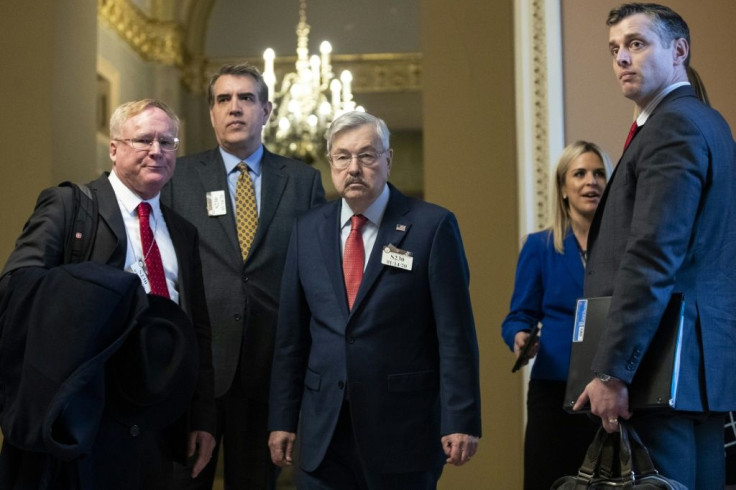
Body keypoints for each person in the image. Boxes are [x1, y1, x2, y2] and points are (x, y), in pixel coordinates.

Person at [0, 99, 216, 489]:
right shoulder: (70, 206)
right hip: (85, 412)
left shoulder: (182, 232)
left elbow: (197, 328)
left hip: (157, 416)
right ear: (114, 148)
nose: (157, 151)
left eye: (168, 142)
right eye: (144, 139)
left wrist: (201, 417)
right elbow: (17, 285)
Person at [267, 111, 482, 489]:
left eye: (367, 155)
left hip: (402, 431)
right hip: (324, 430)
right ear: (330, 162)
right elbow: (291, 338)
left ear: (388, 160)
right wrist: (282, 418)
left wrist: (461, 419)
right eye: (342, 156)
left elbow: (455, 335)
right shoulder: (307, 230)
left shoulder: (431, 227)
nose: (354, 168)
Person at [572, 4, 736, 489]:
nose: (622, 58)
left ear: (679, 51)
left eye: (637, 44)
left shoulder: (672, 126)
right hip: (696, 375)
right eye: (614, 49)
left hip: (660, 368)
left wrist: (612, 373)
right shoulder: (708, 122)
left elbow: (652, 256)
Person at [161, 62, 325, 489]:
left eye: (247, 98)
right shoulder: (178, 177)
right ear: (211, 113)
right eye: (224, 99)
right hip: (197, 368)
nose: (235, 108)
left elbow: (314, 273)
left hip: (268, 369)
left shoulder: (303, 181)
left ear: (267, 110)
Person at [502, 141, 611, 489]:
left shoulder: (625, 248)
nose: (590, 182)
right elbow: (518, 315)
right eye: (579, 174)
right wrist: (520, 337)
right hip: (554, 392)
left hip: (612, 388)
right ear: (563, 188)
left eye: (598, 174)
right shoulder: (539, 246)